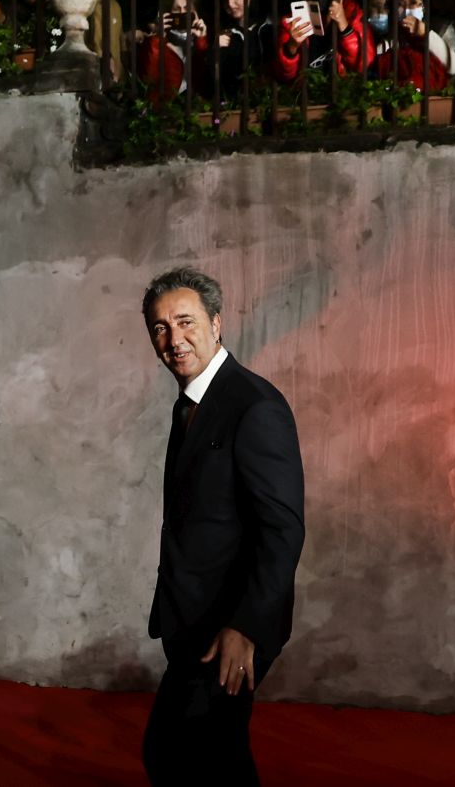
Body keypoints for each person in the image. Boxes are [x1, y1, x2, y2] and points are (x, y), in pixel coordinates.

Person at [140, 266, 305, 787]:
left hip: (231, 628)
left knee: (176, 754)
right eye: (161, 327)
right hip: (192, 619)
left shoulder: (254, 406)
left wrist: (246, 628)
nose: (174, 339)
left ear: (216, 323)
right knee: (217, 758)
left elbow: (282, 531)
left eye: (185, 321)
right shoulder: (192, 403)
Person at [273, 0, 372, 82]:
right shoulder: (291, 23)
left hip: (342, 89)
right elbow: (283, 75)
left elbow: (363, 64)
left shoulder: (354, 16)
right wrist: (292, 47)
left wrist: (344, 26)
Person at [373, 0, 455, 91]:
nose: (406, 10)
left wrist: (425, 34)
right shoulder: (387, 44)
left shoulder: (442, 30)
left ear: (424, 6)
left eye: (413, 3)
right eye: (400, 4)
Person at [138, 0, 209, 108]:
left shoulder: (204, 40)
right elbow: (148, 78)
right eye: (176, 9)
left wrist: (201, 40)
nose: (182, 13)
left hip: (198, 109)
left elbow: (206, 80)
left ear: (196, 14)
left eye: (187, 9)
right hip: (166, 110)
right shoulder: (156, 42)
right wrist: (158, 39)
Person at [216, 0, 273, 101]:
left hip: (272, 99)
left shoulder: (269, 26)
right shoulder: (223, 34)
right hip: (237, 103)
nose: (230, 4)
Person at [74, 0, 123, 81]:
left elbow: (119, 44)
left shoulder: (114, 5)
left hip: (114, 81)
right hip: (85, 78)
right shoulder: (72, 3)